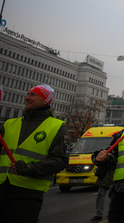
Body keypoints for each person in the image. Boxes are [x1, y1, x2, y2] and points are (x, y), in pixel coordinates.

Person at [0, 85, 69, 223]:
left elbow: (61, 161)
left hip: (28, 195)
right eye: (28, 94)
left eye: (32, 95)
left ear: (45, 101)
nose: (27, 97)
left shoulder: (57, 127)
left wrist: (30, 168)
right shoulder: (9, 124)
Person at [92, 136, 116, 222]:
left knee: (113, 197)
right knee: (100, 196)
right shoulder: (107, 149)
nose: (113, 140)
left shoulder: (117, 150)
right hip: (104, 178)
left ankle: (111, 213)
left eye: (114, 139)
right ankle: (99, 214)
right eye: (112, 138)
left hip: (114, 178)